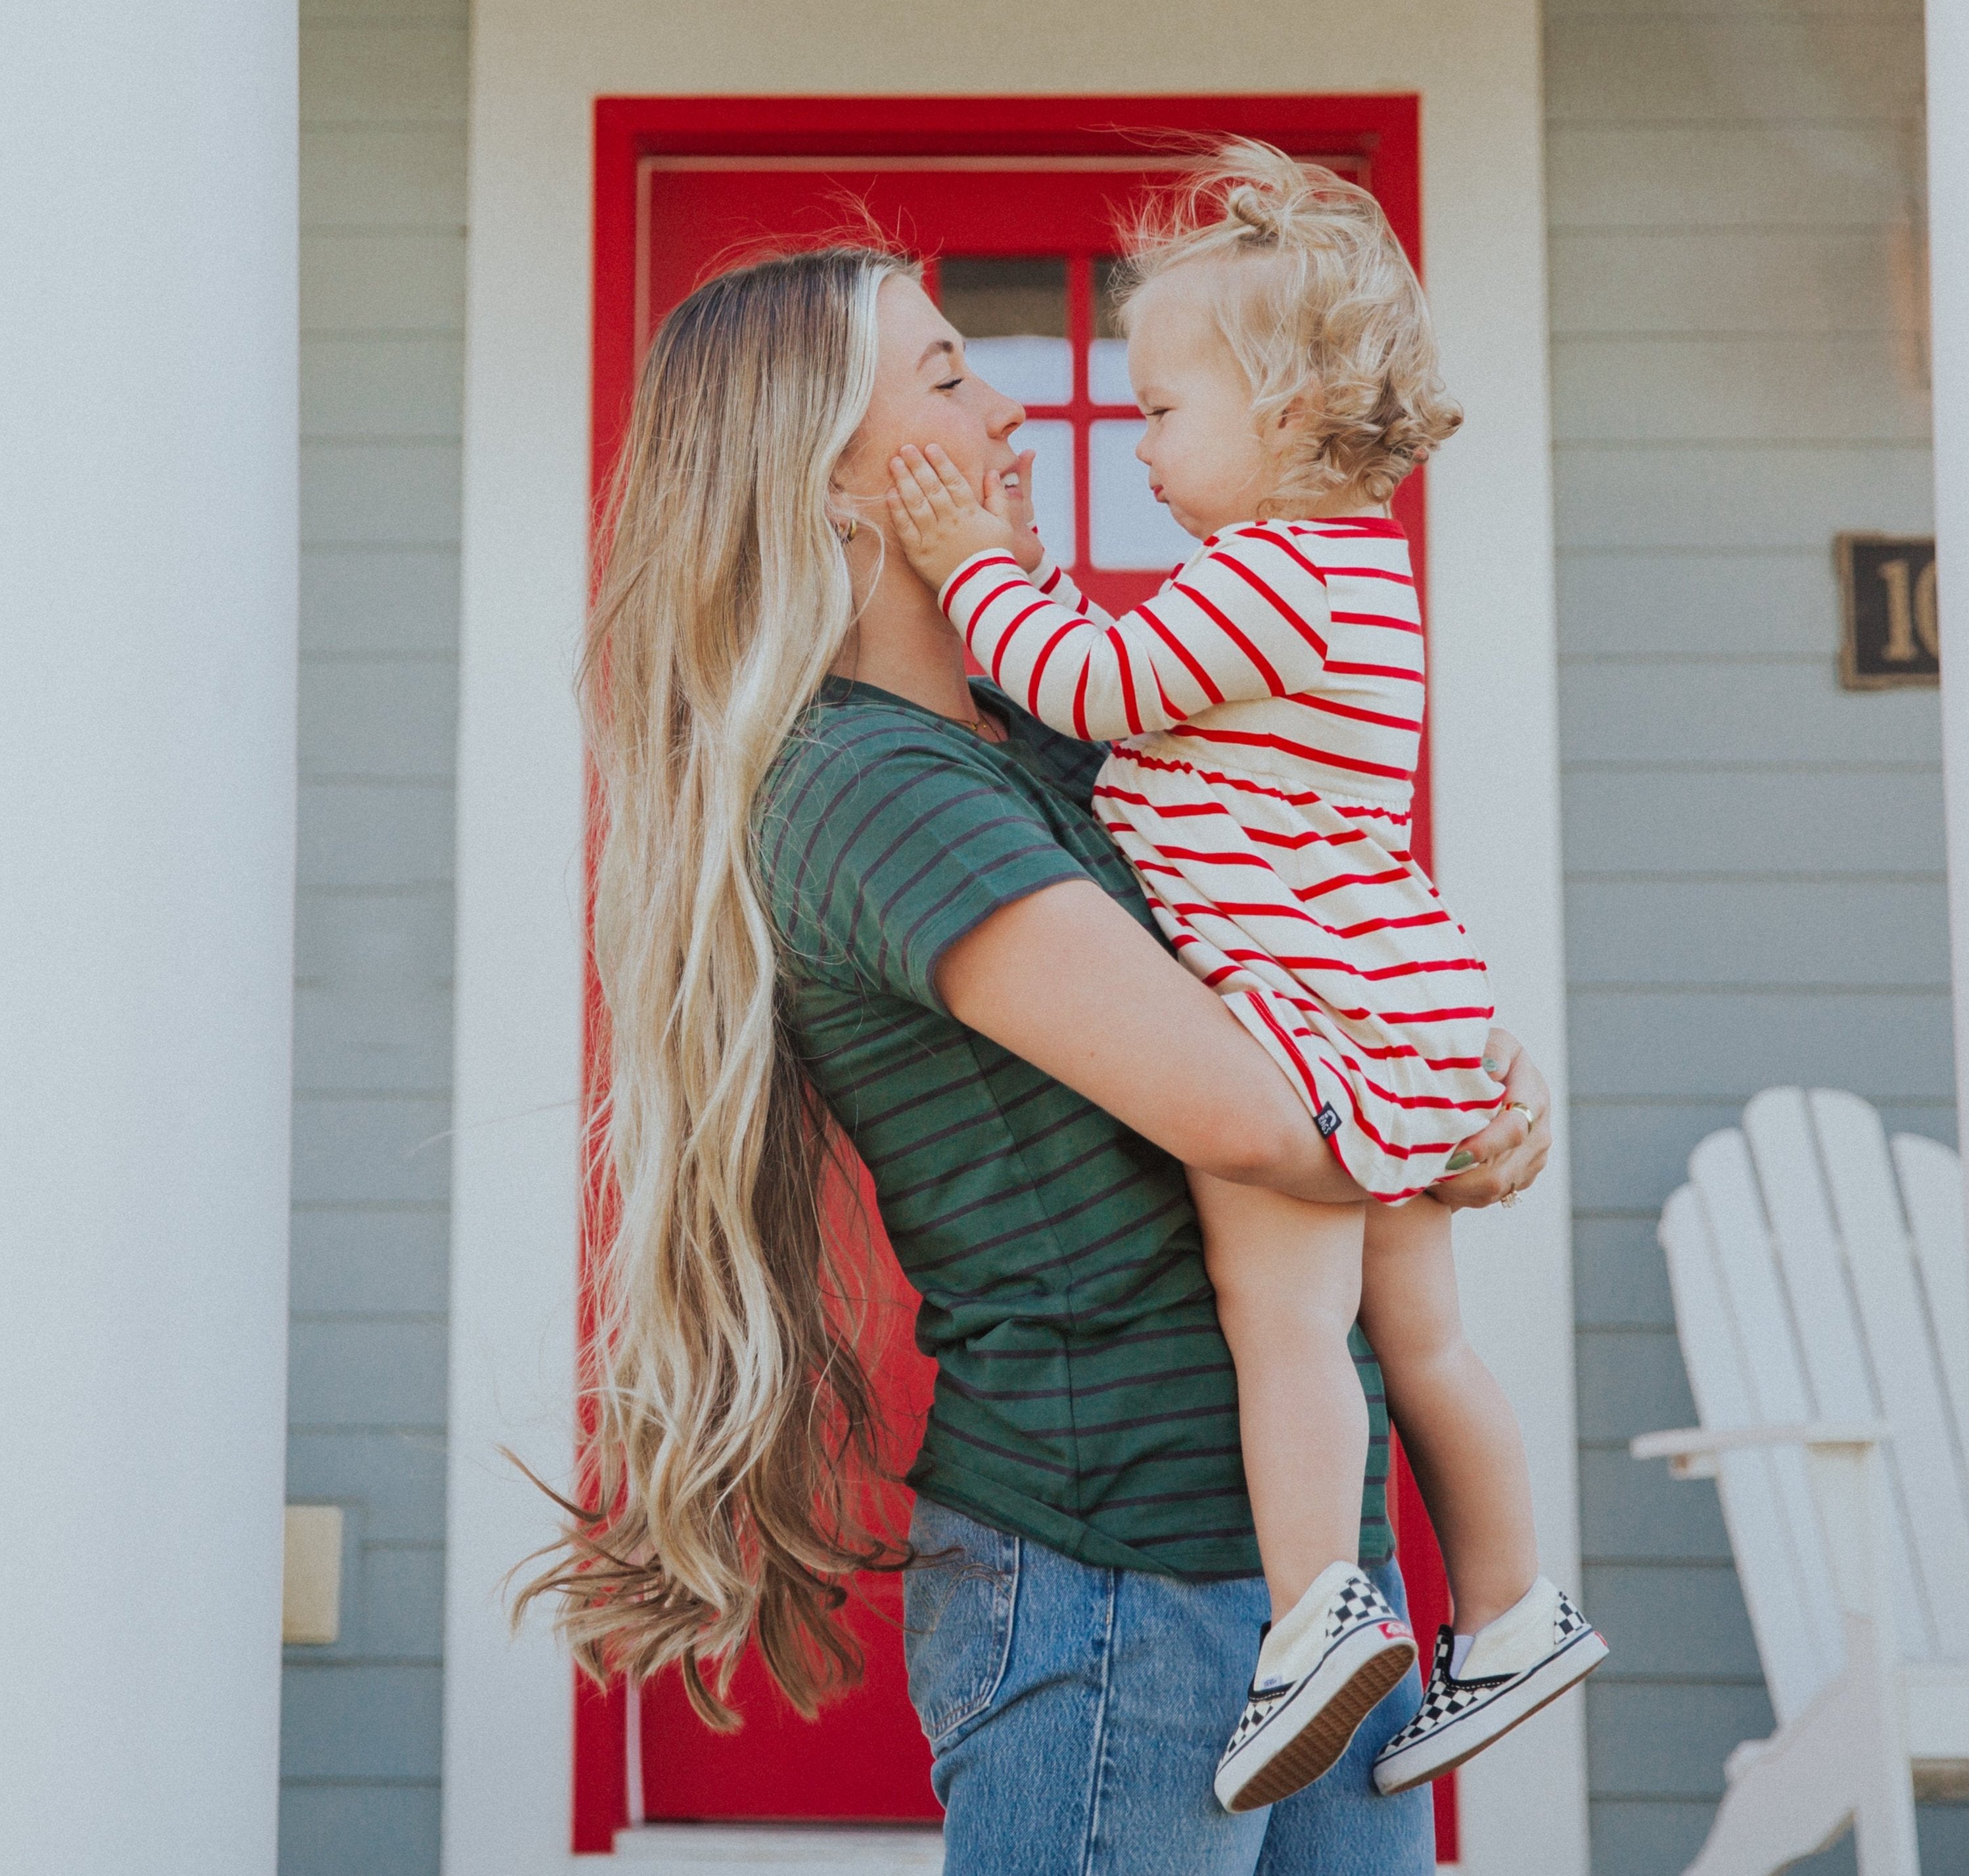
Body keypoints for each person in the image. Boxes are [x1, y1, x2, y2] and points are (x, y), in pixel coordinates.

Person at [518, 241, 1555, 1875]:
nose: (1013, 412)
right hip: (1114, 1582)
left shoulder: (1064, 740)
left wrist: (1469, 1067)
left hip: (1309, 1579)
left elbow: (1308, 940)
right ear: (830, 480)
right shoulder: (867, 788)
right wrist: (1424, 1113)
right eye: (945, 378)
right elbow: (1251, 1110)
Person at [881, 143, 1604, 1814]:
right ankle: (1501, 1610)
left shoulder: (1274, 571)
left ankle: (1313, 1620)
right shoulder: (1353, 572)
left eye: (1154, 412)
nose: (1130, 443)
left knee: (1282, 1324)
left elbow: (1094, 684)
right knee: (1416, 1338)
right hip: (1397, 991)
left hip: (1312, 1010)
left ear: (1280, 411)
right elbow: (1145, 689)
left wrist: (967, 565)